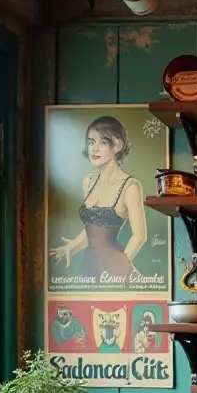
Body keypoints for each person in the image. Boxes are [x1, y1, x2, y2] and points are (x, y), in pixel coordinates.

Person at [49, 116, 148, 283]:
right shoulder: (88, 181)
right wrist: (72, 247)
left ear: (117, 145)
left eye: (102, 142)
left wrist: (118, 268)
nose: (93, 149)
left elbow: (140, 236)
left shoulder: (130, 186)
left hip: (117, 268)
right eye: (90, 142)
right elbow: (93, 228)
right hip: (89, 264)